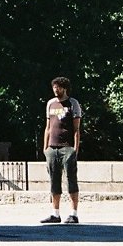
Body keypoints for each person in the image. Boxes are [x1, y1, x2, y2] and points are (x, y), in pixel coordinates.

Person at [41, 77, 82, 224]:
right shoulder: (51, 104)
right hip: (53, 147)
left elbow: (77, 129)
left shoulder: (73, 103)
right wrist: (45, 147)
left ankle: (73, 213)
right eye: (54, 88)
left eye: (58, 87)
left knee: (71, 180)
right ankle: (55, 213)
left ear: (64, 88)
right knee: (54, 180)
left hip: (67, 147)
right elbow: (48, 126)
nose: (55, 90)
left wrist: (75, 149)